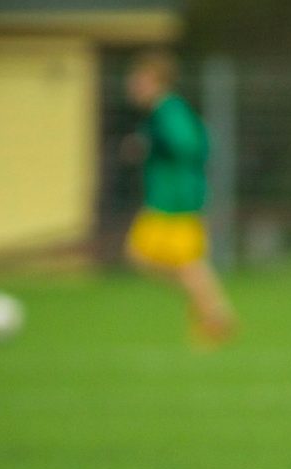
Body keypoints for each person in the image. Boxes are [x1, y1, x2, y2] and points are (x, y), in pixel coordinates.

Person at [124, 49, 235, 346]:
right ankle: (211, 309)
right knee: (147, 258)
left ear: (157, 81)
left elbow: (191, 144)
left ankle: (215, 314)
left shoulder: (168, 110)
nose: (133, 85)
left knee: (184, 264)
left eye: (140, 79)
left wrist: (153, 144)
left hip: (176, 202)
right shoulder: (161, 113)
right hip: (166, 200)